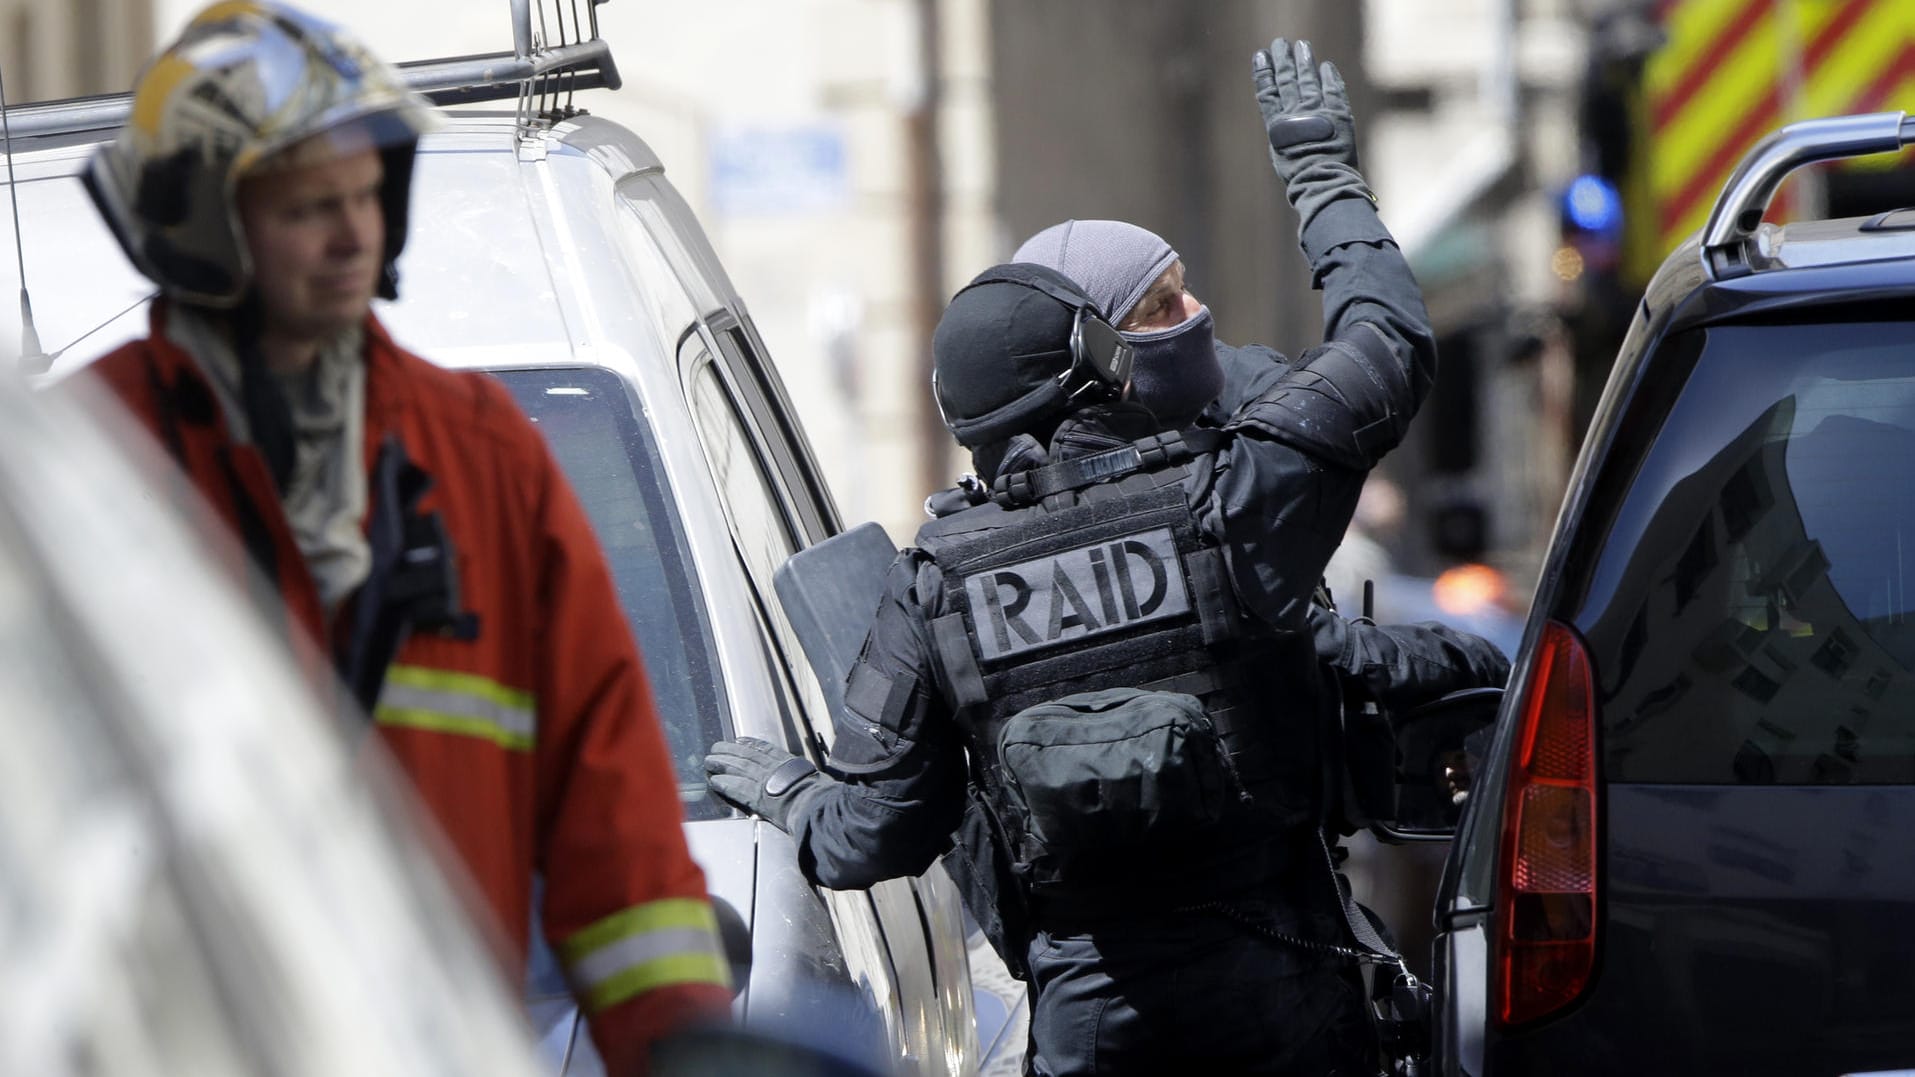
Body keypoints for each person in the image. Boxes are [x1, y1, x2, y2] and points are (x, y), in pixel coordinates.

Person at [708, 37, 1440, 1075]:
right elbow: (1387, 342)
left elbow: (871, 837)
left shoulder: (938, 582)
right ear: (1099, 360)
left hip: (1092, 1030)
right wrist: (1320, 173)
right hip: (1286, 994)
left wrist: (792, 793)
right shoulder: (1232, 498)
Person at [75, 5, 731, 1071]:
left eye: (366, 196)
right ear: (204, 225)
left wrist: (683, 1049)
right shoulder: (90, 461)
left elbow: (613, 834)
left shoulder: (483, 459)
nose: (352, 234)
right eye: (307, 208)